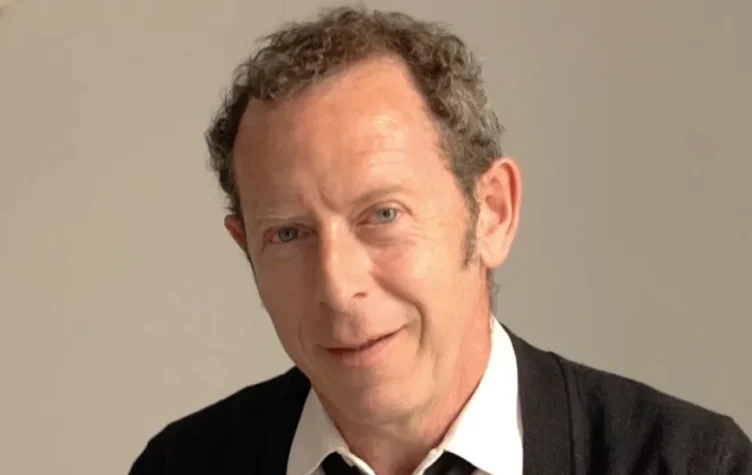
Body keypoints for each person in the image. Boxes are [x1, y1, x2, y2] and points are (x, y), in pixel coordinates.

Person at [129, 5, 752, 475]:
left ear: (492, 214)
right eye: (289, 233)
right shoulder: (181, 467)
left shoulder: (692, 463)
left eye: (383, 214)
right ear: (246, 250)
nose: (337, 287)